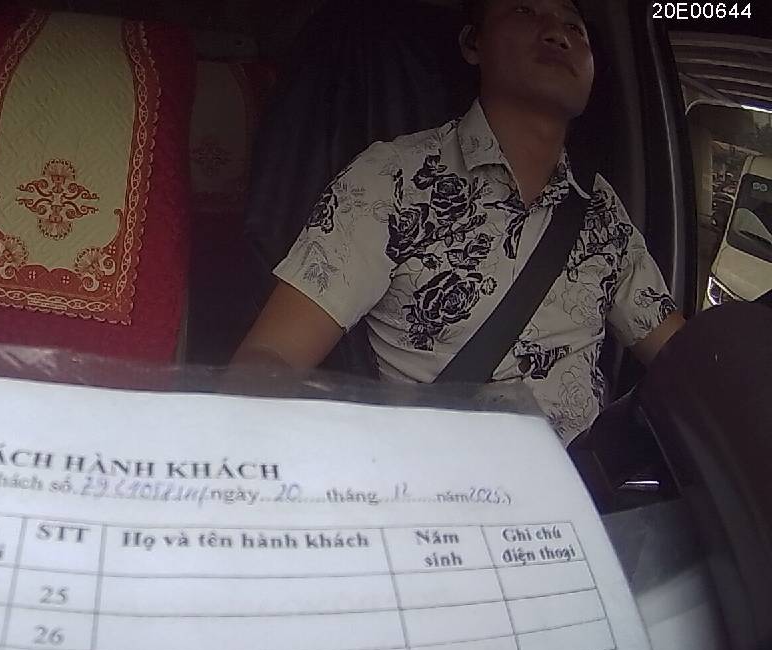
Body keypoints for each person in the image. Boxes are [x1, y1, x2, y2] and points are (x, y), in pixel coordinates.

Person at [233, 0, 686, 444]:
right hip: (444, 478)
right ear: (473, 43)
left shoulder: (601, 207)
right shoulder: (393, 178)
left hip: (584, 483)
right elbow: (271, 357)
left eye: (575, 26)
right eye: (525, 11)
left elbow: (681, 358)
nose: (556, 33)